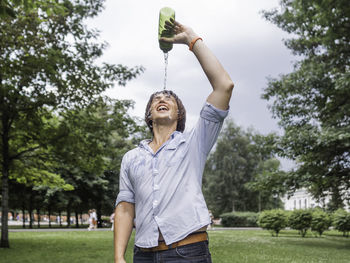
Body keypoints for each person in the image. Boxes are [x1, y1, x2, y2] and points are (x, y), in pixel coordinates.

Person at [114, 19, 234, 263]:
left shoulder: (193, 144)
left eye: (170, 98)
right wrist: (118, 257)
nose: (163, 98)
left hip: (187, 252)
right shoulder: (131, 158)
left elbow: (224, 85)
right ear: (149, 114)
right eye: (156, 98)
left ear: (179, 115)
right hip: (143, 255)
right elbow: (126, 208)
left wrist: (192, 39)